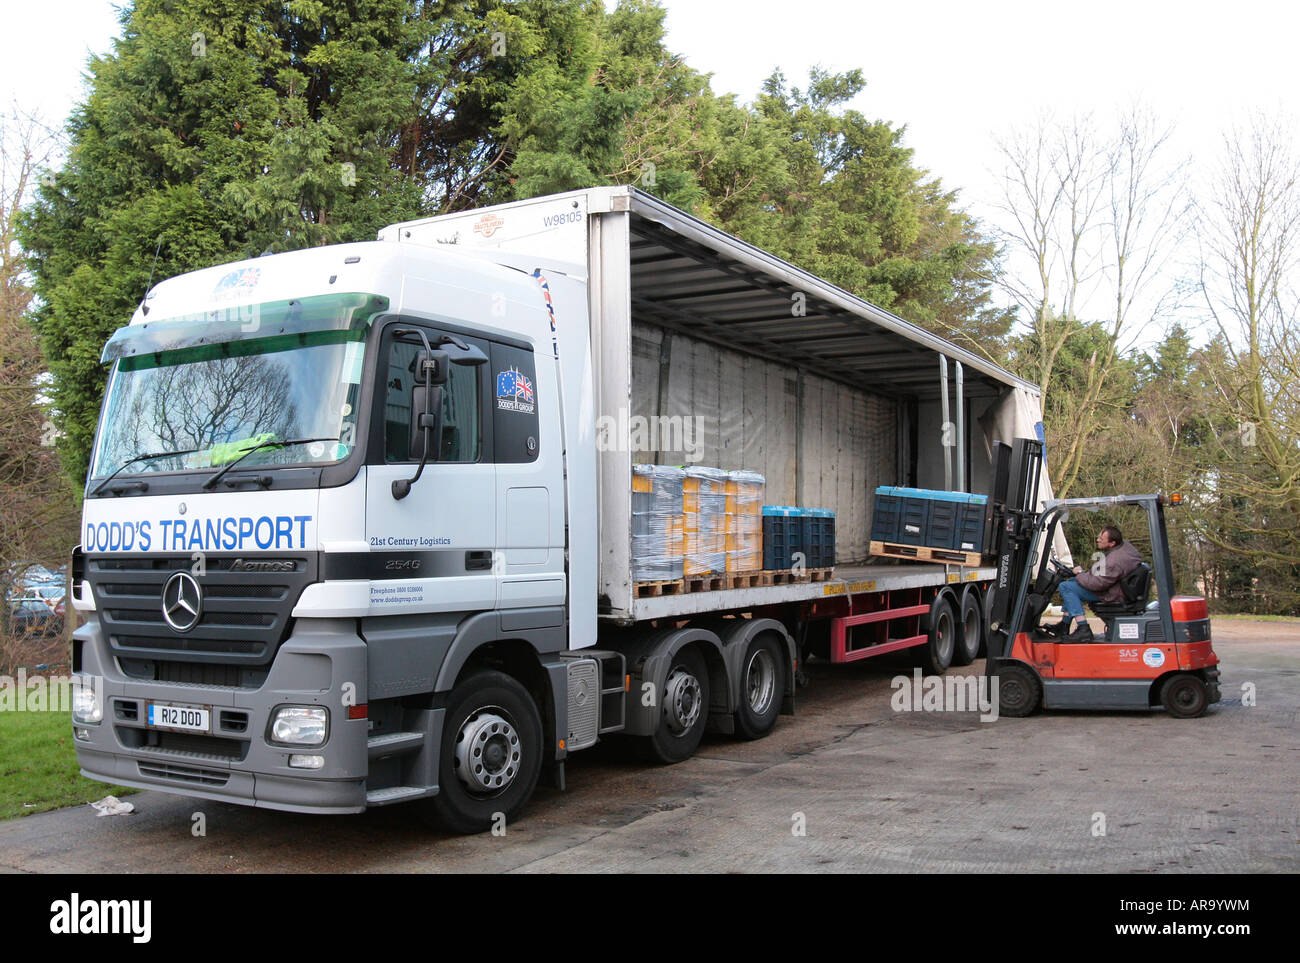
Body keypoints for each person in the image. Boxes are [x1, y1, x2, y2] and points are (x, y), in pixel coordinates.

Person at [1047, 525, 1143, 642]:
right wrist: (1080, 575)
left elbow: (1096, 584)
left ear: (1112, 543)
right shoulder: (1124, 547)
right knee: (1072, 583)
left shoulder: (1114, 561)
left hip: (1111, 593)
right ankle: (1064, 625)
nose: (1098, 540)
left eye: (1101, 539)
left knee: (1066, 587)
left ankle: (1083, 628)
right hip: (1116, 588)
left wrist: (1080, 573)